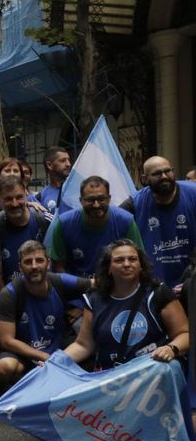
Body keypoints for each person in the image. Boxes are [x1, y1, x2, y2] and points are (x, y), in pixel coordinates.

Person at [65, 240, 189, 371]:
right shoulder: (94, 299)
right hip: (111, 377)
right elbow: (83, 345)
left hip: (152, 373)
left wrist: (171, 348)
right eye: (119, 260)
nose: (127, 264)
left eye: (133, 259)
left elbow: (185, 334)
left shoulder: (158, 293)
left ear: (141, 265)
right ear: (108, 268)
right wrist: (56, 362)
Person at [0, 241, 91, 386]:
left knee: (90, 351)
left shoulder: (60, 281)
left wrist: (82, 307)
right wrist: (44, 356)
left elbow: (97, 286)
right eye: (28, 262)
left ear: (48, 263)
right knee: (4, 367)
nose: (34, 266)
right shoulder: (9, 293)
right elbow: (7, 341)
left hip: (58, 346)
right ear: (20, 266)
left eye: (39, 260)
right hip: (24, 353)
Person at [120, 156, 196, 290]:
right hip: (152, 288)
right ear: (144, 179)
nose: (164, 176)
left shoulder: (193, 194)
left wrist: (190, 284)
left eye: (168, 171)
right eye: (157, 174)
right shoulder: (134, 204)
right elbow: (112, 226)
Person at [46, 176, 142, 276]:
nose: (96, 205)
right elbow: (57, 266)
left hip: (116, 286)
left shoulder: (126, 221)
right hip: (76, 287)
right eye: (90, 200)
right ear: (81, 200)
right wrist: (81, 284)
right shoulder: (64, 223)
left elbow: (138, 259)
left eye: (101, 199)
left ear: (109, 199)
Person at [0, 175, 50, 292]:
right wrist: (6, 298)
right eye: (8, 199)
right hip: (12, 293)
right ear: (0, 200)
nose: (14, 204)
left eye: (19, 197)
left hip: (44, 291)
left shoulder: (45, 220)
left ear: (26, 196)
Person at [37, 147, 73, 215]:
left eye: (68, 160)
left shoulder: (78, 189)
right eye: (63, 160)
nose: (68, 164)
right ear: (49, 165)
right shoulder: (41, 196)